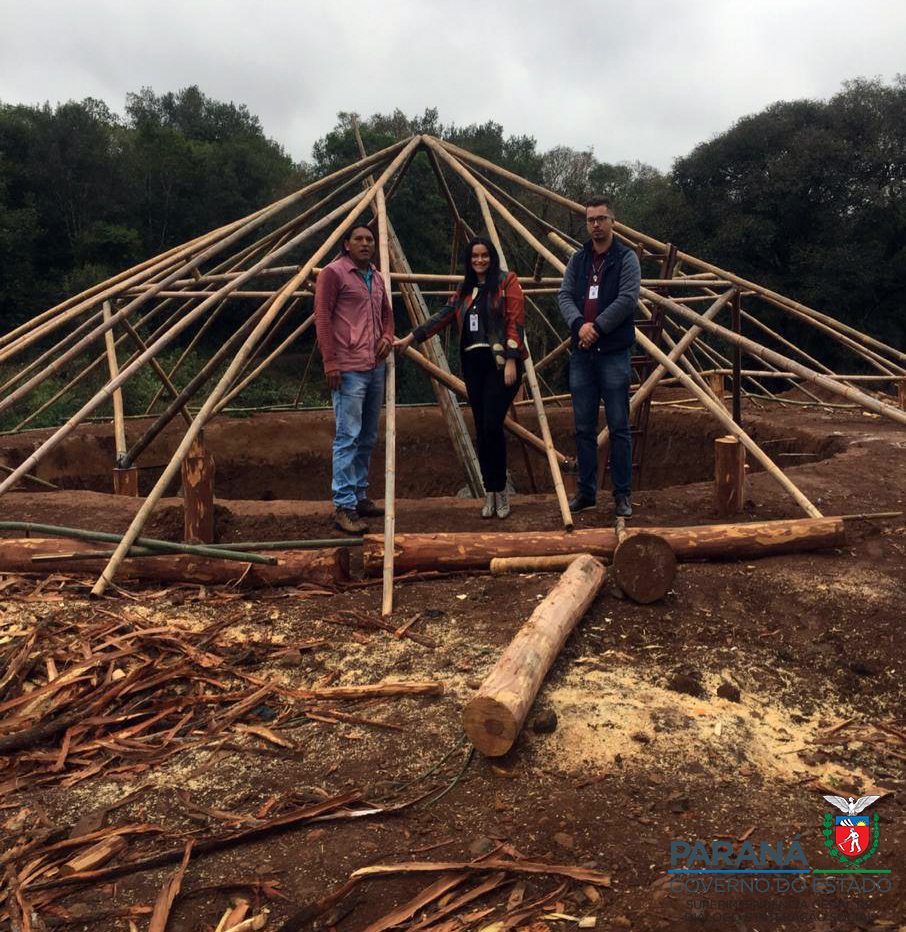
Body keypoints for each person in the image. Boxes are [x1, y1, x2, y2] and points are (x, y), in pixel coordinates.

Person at [394, 237, 526, 519]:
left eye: (484, 255)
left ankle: (501, 490)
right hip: (474, 366)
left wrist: (513, 360)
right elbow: (443, 316)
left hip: (500, 363)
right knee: (481, 427)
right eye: (475, 256)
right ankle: (489, 492)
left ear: (492, 257)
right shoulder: (465, 290)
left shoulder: (506, 282)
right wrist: (410, 338)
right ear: (469, 260)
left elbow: (515, 320)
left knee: (492, 424)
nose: (480, 260)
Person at [557, 197, 641, 518]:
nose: (596, 224)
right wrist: (579, 326)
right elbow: (565, 295)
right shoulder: (578, 260)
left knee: (619, 425)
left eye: (601, 218)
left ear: (612, 222)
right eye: (591, 219)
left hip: (613, 353)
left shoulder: (626, 258)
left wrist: (597, 328)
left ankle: (622, 495)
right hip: (582, 354)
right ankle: (587, 492)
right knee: (583, 427)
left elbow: (627, 298)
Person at [314, 223, 393, 534]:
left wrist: (388, 335)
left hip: (375, 366)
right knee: (348, 435)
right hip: (347, 367)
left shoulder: (377, 277)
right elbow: (322, 316)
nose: (365, 243)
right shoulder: (333, 274)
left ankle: (359, 495)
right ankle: (344, 505)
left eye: (370, 239)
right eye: (358, 239)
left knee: (368, 436)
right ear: (346, 244)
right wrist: (330, 361)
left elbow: (387, 313)